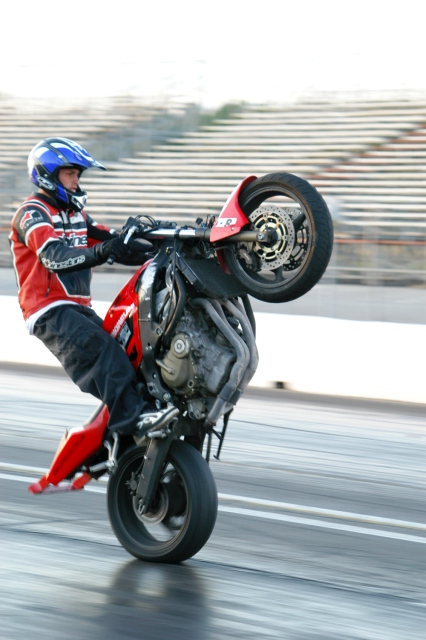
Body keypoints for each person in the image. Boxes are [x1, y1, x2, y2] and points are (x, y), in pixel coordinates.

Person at [9, 137, 178, 438]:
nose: (76, 180)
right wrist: (104, 252)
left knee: (130, 353)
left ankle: (136, 423)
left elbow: (114, 243)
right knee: (104, 354)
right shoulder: (31, 213)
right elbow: (54, 257)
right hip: (48, 311)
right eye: (70, 174)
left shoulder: (77, 215)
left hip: (77, 309)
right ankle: (134, 422)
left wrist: (161, 244)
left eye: (77, 174)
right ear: (49, 175)